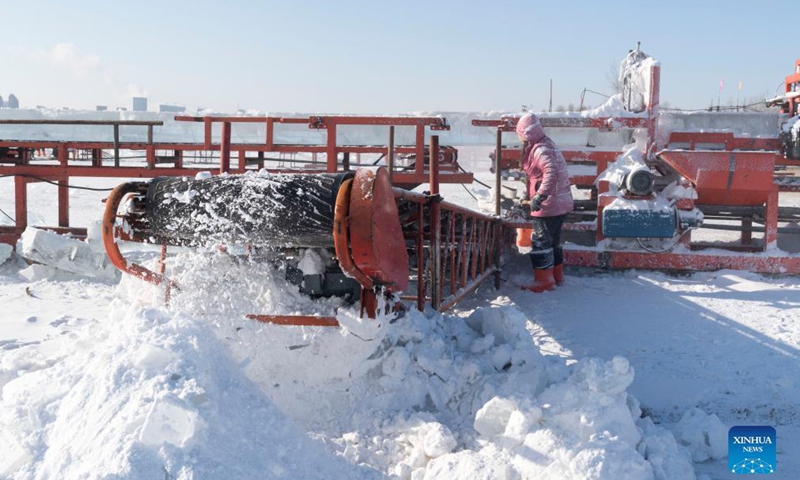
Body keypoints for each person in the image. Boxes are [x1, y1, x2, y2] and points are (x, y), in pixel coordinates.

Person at [516, 113, 574, 292]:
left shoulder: (540, 149)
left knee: (540, 241)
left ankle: (544, 282)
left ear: (526, 133)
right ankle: (557, 277)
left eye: (519, 133)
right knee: (553, 242)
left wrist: (540, 196)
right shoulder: (547, 144)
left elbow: (551, 172)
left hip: (549, 205)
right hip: (561, 203)